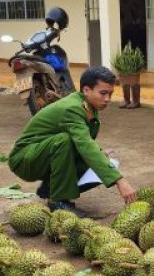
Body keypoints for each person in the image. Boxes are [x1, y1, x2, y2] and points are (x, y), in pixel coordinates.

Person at [8, 66, 138, 217]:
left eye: (110, 94)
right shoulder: (73, 108)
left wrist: (100, 155)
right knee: (65, 141)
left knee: (98, 158)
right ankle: (58, 201)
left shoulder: (86, 105)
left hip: (41, 154)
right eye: (103, 93)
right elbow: (86, 145)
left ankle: (50, 188)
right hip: (24, 159)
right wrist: (120, 181)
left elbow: (85, 144)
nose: (107, 99)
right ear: (86, 90)